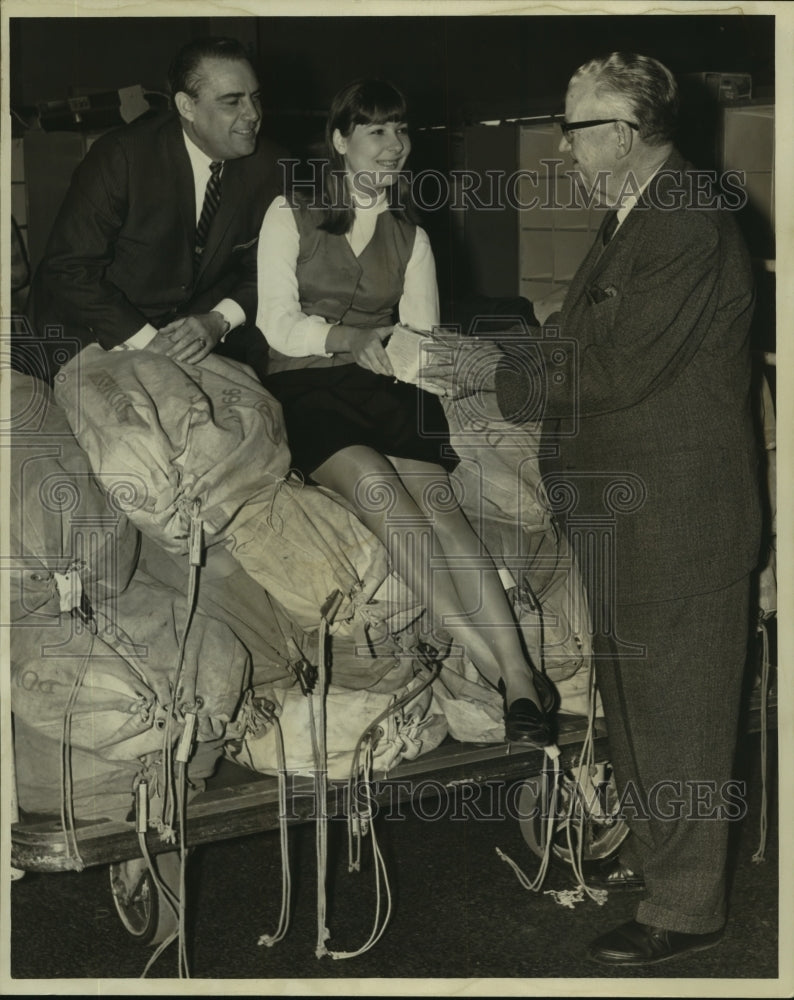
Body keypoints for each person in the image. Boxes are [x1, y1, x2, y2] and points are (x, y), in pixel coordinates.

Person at [432, 52, 763, 966]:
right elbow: (586, 339)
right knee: (639, 709)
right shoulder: (638, 214)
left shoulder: (686, 221)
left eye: (576, 129)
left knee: (683, 720)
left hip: (680, 517)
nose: (566, 146)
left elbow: (612, 369)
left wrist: (484, 377)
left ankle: (690, 911)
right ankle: (666, 871)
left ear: (620, 134)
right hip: (638, 513)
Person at [255, 78, 556, 748]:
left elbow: (417, 336)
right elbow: (276, 323)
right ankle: (488, 659)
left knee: (443, 510)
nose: (394, 146)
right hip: (308, 389)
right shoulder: (290, 213)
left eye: (401, 131)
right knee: (381, 493)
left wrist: (456, 377)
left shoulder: (410, 235)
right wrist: (350, 341)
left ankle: (519, 676)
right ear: (340, 140)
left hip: (386, 391)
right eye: (376, 131)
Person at [22, 35, 285, 383]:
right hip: (90, 330)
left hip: (191, 334)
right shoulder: (122, 157)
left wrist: (218, 319)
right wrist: (152, 343)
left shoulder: (269, 166)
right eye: (231, 102)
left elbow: (267, 269)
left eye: (255, 97)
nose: (252, 114)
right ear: (186, 107)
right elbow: (69, 269)